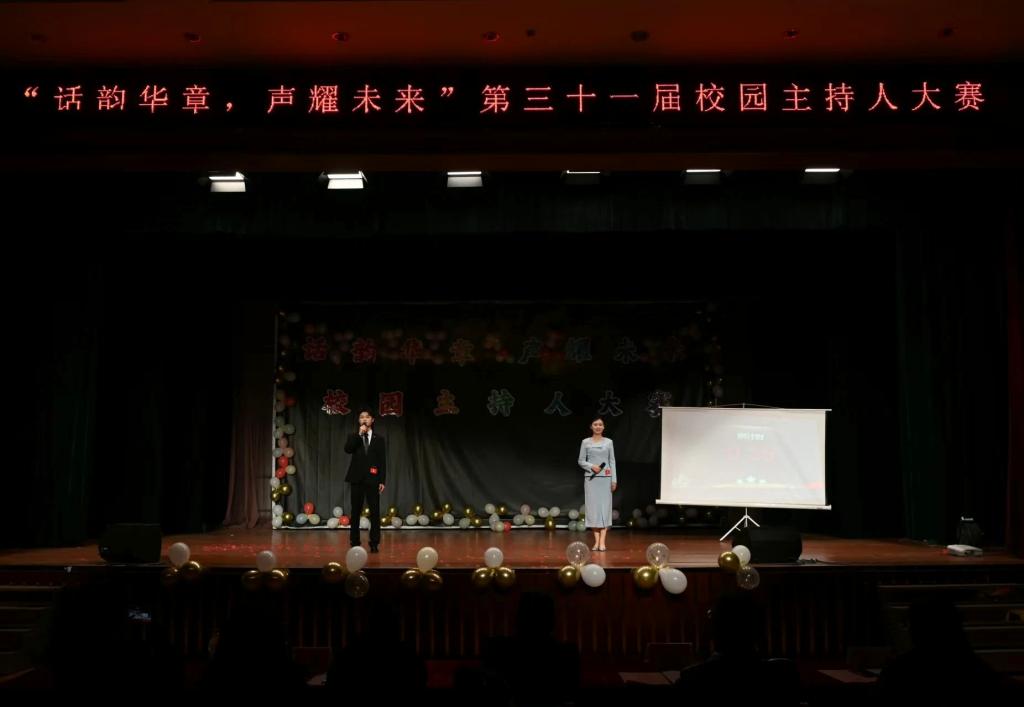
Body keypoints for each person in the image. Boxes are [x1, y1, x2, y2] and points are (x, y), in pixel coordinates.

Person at [344, 408, 386, 552]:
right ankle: (355, 541)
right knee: (355, 511)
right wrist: (359, 434)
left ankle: (374, 542)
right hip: (356, 479)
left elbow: (382, 461)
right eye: (362, 417)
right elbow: (348, 449)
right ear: (359, 421)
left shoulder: (379, 439)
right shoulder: (353, 436)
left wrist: (382, 480)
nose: (364, 419)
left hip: (373, 479)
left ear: (372, 420)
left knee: (375, 511)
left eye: (367, 417)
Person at [577, 416, 616, 551]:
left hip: (606, 478)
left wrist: (614, 479)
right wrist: (591, 466)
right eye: (595, 424)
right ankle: (596, 541)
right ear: (591, 427)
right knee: (593, 509)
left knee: (605, 509)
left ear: (603, 427)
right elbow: (581, 461)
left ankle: (602, 542)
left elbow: (612, 461)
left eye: (600, 424)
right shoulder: (585, 442)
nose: (598, 426)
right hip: (591, 479)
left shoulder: (609, 442)